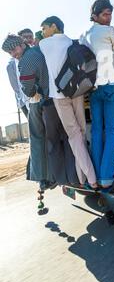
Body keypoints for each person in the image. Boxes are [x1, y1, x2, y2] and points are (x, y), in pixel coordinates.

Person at [40, 16, 97, 189]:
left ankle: (91, 178)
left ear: (54, 26)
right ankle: (82, 177)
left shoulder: (45, 44)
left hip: (60, 96)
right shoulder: (71, 43)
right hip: (76, 92)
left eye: (44, 28)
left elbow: (38, 43)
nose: (42, 32)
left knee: (74, 136)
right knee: (81, 131)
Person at [1, 34, 55, 190]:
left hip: (36, 102)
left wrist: (29, 92)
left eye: (14, 49)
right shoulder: (37, 51)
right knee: (49, 138)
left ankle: (42, 178)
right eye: (9, 52)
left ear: (21, 44)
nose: (13, 54)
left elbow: (27, 89)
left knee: (37, 140)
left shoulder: (26, 59)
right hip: (48, 100)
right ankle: (49, 176)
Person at [80, 0, 114, 191]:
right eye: (105, 14)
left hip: (93, 88)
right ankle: (106, 178)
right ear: (94, 15)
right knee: (111, 132)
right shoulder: (109, 31)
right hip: (110, 84)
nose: (109, 18)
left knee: (96, 131)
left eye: (110, 14)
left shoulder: (84, 34)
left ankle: (93, 176)